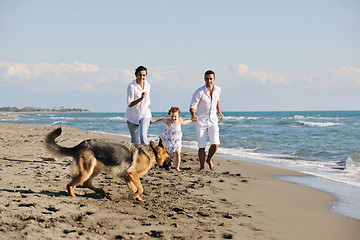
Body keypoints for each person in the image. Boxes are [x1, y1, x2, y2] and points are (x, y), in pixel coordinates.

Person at [189, 70, 224, 171]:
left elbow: (217, 101)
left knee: (215, 143)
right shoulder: (199, 92)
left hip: (213, 120)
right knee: (202, 146)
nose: (209, 80)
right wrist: (193, 114)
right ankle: (202, 166)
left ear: (214, 79)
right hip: (201, 121)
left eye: (211, 78)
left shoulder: (218, 90)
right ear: (204, 79)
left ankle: (209, 159)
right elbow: (192, 106)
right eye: (207, 79)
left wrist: (219, 112)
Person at [151, 107, 192, 171]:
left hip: (177, 140)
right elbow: (161, 118)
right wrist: (153, 121)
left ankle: (177, 167)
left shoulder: (180, 120)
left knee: (178, 153)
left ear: (178, 115)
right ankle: (165, 163)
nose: (173, 118)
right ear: (169, 115)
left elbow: (184, 122)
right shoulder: (168, 121)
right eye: (172, 116)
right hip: (169, 140)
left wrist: (191, 120)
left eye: (175, 116)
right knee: (171, 155)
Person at [125, 66, 152, 144]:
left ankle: (147, 155)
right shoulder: (132, 86)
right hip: (132, 116)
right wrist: (140, 98)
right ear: (136, 75)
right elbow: (130, 104)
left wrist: (149, 115)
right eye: (140, 75)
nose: (142, 77)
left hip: (145, 114)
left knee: (143, 136)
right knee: (135, 141)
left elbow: (148, 101)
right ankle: (136, 156)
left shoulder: (148, 85)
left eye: (144, 75)